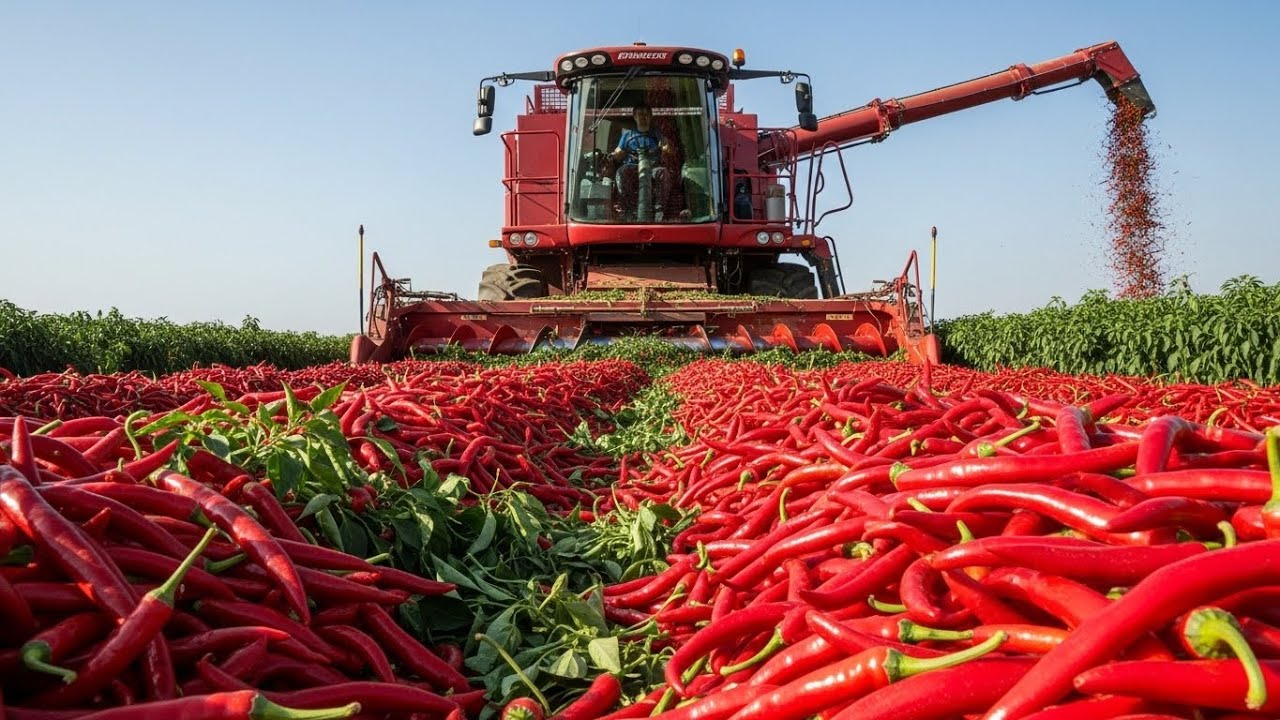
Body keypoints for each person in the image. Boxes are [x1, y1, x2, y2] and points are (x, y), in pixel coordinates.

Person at [609, 102, 676, 220]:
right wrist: (617, 153)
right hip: (633, 168)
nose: (643, 117)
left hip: (653, 168)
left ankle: (659, 209)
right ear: (635, 117)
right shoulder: (627, 136)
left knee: (663, 173)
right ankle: (629, 208)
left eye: (646, 114)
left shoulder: (657, 135)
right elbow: (618, 153)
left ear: (650, 117)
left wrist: (666, 148)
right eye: (640, 114)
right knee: (622, 172)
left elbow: (668, 148)